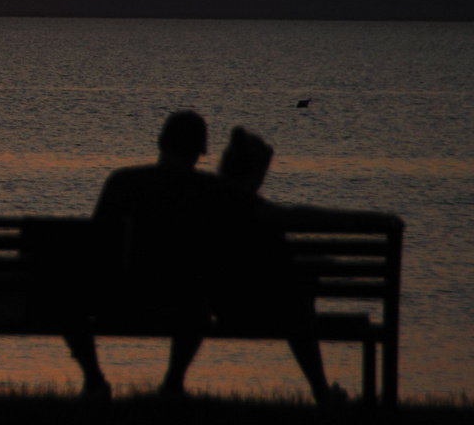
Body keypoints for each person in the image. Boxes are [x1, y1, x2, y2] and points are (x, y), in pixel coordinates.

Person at [69, 110, 255, 401]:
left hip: (119, 302)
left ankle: (94, 381)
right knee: (199, 296)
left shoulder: (123, 182)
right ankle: (173, 382)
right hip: (184, 304)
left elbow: (96, 245)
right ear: (201, 150)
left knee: (67, 295)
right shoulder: (211, 190)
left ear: (160, 142)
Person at [213, 127, 338, 406]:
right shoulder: (257, 213)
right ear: (256, 173)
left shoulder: (206, 206)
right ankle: (321, 391)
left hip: (214, 304)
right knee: (300, 305)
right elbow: (283, 265)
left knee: (297, 298)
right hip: (257, 308)